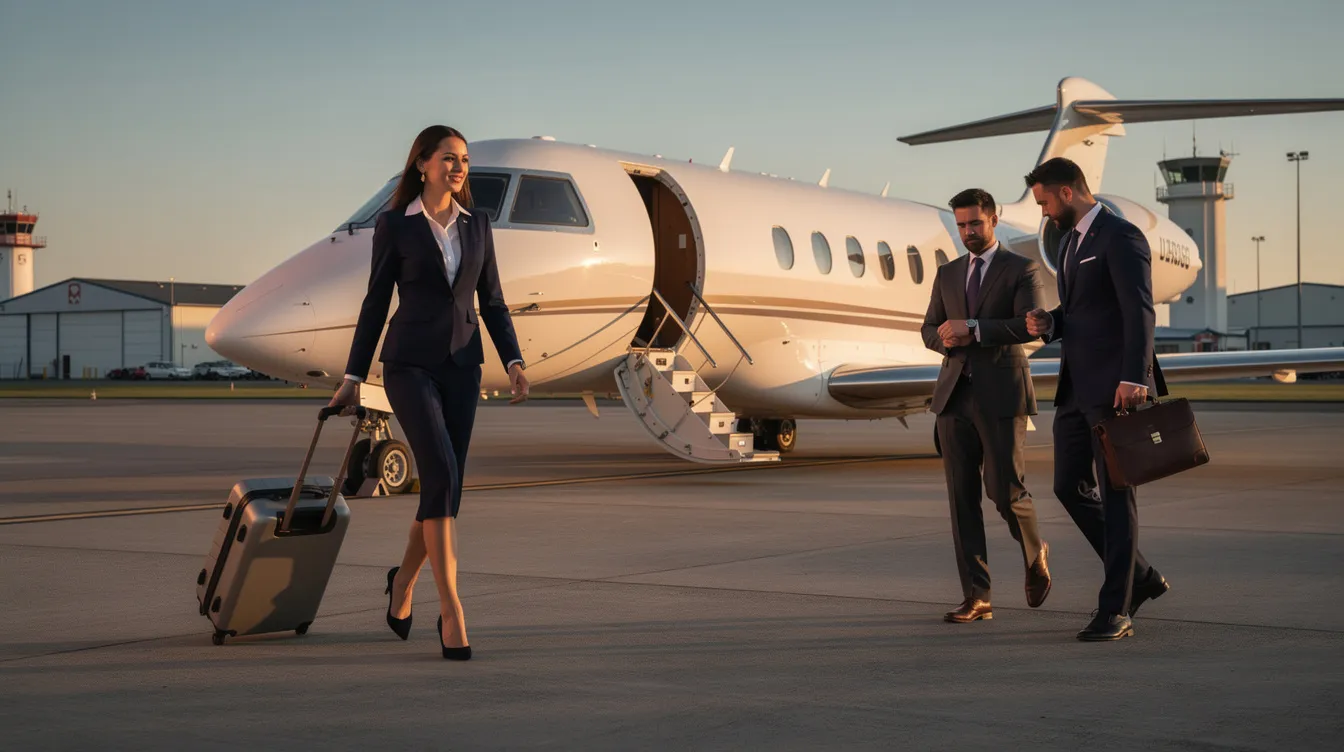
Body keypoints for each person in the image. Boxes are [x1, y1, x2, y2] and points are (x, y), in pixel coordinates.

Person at [329, 125, 529, 660]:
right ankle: (452, 610)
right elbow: (374, 304)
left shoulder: (478, 225)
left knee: (447, 488)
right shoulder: (394, 226)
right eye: (448, 158)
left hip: (463, 367)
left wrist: (513, 361)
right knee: (438, 473)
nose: (459, 167)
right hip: (408, 365)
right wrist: (353, 377)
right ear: (422, 164)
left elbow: (494, 302)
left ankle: (402, 584)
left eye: (463, 159)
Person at [1024, 157, 1170, 642]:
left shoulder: (1120, 236)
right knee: (1069, 486)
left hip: (1113, 388)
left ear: (1067, 193)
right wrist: (1052, 322)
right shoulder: (1070, 244)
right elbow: (1085, 307)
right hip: (1074, 388)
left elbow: (1138, 310)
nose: (1043, 212)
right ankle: (1142, 576)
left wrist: (1135, 376)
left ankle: (1116, 609)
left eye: (1044, 201)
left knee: (1117, 494)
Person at [922, 188, 1051, 624]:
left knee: (1003, 490)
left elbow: (1028, 326)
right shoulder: (947, 274)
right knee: (961, 500)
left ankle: (1035, 550)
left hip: (1001, 394)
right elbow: (927, 328)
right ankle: (977, 596)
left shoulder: (1022, 269)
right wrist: (943, 336)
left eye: (975, 224)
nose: (968, 233)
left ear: (993, 220)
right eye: (961, 226)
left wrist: (973, 328)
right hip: (954, 396)